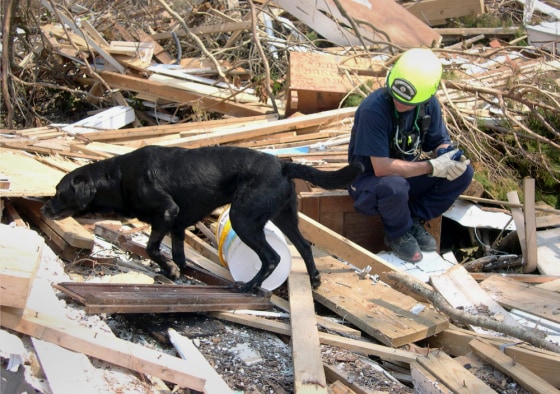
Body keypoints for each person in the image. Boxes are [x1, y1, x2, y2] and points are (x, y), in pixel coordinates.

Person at [347, 48, 474, 263]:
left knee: (464, 174)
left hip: (404, 176)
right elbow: (381, 168)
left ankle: (413, 217)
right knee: (393, 186)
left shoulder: (428, 104)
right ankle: (397, 233)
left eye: (407, 102)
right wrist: (432, 167)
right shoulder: (373, 110)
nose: (400, 103)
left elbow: (439, 141)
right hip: (367, 182)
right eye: (396, 97)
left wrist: (446, 156)